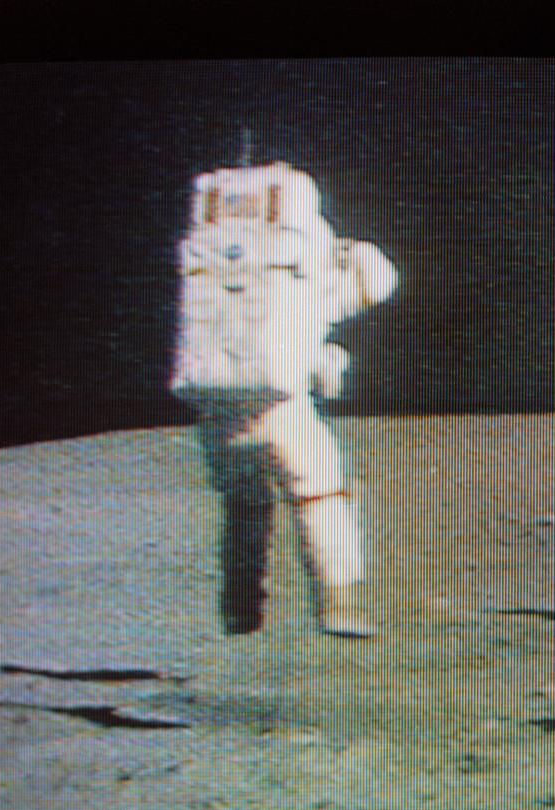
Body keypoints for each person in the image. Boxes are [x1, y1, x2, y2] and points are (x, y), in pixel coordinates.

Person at [170, 161, 397, 637]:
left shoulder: (209, 241)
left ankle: (239, 606)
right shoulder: (311, 256)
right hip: (281, 404)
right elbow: (378, 283)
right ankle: (340, 606)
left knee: (244, 503)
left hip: (215, 408)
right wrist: (347, 252)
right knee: (321, 496)